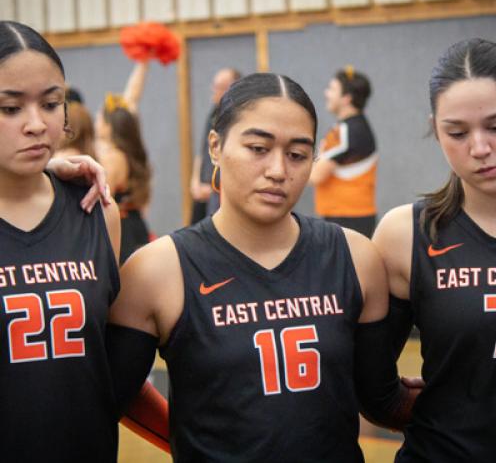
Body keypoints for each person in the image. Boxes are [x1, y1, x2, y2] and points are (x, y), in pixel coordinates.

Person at [107, 73, 418, 462]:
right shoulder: (157, 270)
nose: (277, 170)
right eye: (258, 148)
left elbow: (382, 400)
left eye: (297, 155)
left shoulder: (356, 257)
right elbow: (105, 403)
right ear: (216, 147)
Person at [373, 38, 496, 462]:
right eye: (458, 132)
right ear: (435, 128)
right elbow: (370, 384)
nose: (480, 148)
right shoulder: (405, 234)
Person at [0, 20, 121, 462]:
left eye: (51, 103)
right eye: (10, 108)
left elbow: (110, 362)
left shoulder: (95, 207)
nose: (36, 124)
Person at [95, 61, 152, 264]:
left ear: (108, 126)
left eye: (99, 118)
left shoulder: (113, 156)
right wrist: (143, 62)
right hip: (133, 224)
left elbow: (99, 195)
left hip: (121, 229)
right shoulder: (127, 149)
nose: (96, 122)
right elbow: (131, 99)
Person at [309, 66, 377, 237]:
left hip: (348, 218)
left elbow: (315, 176)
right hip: (346, 217)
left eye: (332, 89)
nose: (326, 93)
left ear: (346, 98)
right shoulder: (351, 127)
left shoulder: (348, 131)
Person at [190, 67, 241, 223]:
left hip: (220, 190)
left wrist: (213, 186)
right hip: (206, 189)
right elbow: (203, 150)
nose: (214, 90)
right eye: (215, 86)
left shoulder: (238, 116)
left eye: (220, 87)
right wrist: (195, 181)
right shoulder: (214, 112)